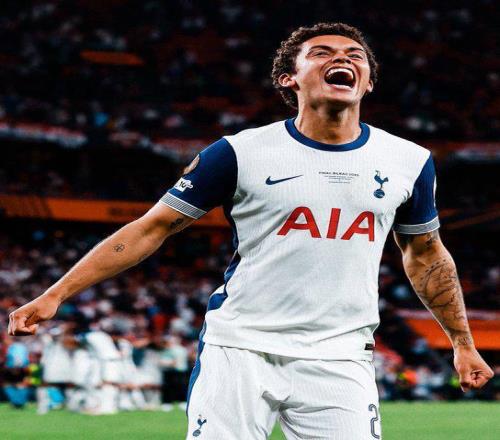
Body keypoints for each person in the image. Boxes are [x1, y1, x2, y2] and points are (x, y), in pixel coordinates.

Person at [8, 22, 493, 438]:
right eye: (321, 53)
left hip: (342, 355)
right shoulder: (239, 153)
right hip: (240, 348)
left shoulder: (409, 161)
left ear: (367, 83)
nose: (342, 59)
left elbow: (426, 254)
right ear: (289, 78)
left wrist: (463, 342)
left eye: (355, 55)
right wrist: (56, 294)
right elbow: (151, 228)